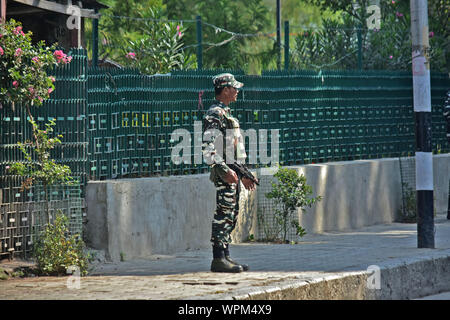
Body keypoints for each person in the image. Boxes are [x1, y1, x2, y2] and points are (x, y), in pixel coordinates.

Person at [202, 73, 258, 273]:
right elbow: (209, 147)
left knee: (231, 215)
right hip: (225, 174)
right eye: (234, 88)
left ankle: (225, 256)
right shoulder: (214, 114)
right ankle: (218, 259)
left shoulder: (226, 113)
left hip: (232, 173)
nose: (237, 91)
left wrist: (244, 174)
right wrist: (224, 171)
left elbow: (230, 150)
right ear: (225, 90)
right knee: (223, 214)